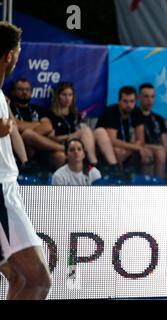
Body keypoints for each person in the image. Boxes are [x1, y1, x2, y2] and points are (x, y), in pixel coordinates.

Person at [0, 21, 51, 300]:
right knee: (39, 281)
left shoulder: (0, 95)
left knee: (19, 279)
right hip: (0, 194)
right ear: (9, 55)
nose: (18, 57)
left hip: (6, 189)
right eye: (18, 52)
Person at [95, 86, 152, 174]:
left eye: (132, 101)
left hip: (126, 146)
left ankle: (149, 183)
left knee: (147, 154)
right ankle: (117, 179)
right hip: (106, 147)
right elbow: (112, 141)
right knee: (117, 151)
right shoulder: (111, 111)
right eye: (125, 101)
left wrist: (129, 151)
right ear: (119, 101)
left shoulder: (137, 112)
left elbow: (141, 140)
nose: (129, 105)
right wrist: (138, 148)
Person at [9, 78, 65, 168]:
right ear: (13, 92)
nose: (24, 92)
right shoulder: (10, 109)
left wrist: (27, 130)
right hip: (21, 147)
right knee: (27, 134)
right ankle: (65, 148)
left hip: (41, 146)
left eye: (27, 90)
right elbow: (16, 125)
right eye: (20, 89)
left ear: (31, 92)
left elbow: (48, 127)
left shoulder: (38, 109)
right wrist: (38, 125)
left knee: (60, 156)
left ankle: (56, 180)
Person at [47, 82, 99, 169]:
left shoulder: (74, 114)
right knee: (84, 131)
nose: (67, 98)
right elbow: (50, 138)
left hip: (75, 144)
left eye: (70, 95)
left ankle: (92, 164)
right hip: (60, 144)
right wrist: (68, 136)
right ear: (57, 96)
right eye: (64, 95)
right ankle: (93, 164)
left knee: (90, 131)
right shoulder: (50, 114)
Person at [138, 83, 167, 179]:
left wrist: (166, 148)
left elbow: (165, 143)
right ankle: (152, 185)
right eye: (146, 96)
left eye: (152, 97)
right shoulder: (134, 116)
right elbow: (136, 142)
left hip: (159, 149)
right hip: (143, 148)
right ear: (139, 97)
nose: (149, 100)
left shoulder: (158, 118)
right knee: (158, 153)